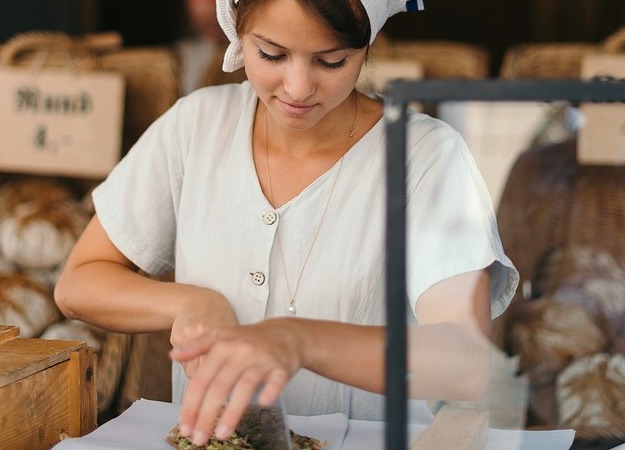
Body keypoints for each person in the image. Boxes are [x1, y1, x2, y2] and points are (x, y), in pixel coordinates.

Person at [54, 0, 519, 446]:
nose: (298, 87)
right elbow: (78, 284)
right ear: (237, 31)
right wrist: (188, 303)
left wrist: (299, 341)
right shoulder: (196, 127)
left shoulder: (425, 157)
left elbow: (463, 360)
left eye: (331, 61)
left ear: (367, 46)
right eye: (271, 54)